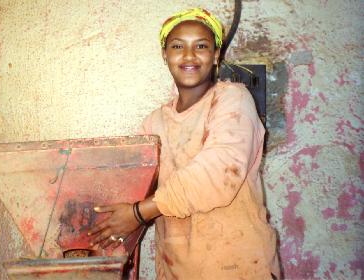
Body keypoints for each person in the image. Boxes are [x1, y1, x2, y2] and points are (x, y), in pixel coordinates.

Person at [88, 7, 280, 279]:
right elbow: (140, 191)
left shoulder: (232, 100)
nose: (189, 55)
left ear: (216, 56)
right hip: (179, 269)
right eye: (178, 46)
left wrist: (138, 213)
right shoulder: (153, 123)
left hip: (237, 265)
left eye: (201, 46)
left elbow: (218, 174)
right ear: (165, 55)